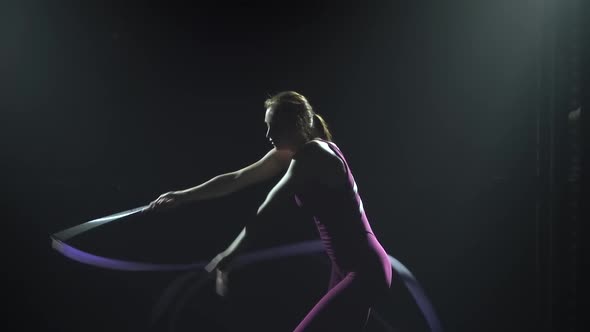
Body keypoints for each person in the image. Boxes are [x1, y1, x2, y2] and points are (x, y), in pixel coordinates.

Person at [148, 91, 392, 331]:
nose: (267, 134)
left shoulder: (313, 155)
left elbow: (268, 208)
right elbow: (237, 178)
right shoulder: (299, 152)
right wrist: (181, 196)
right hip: (346, 269)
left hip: (364, 270)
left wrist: (231, 253)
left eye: (273, 127)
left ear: (296, 124)